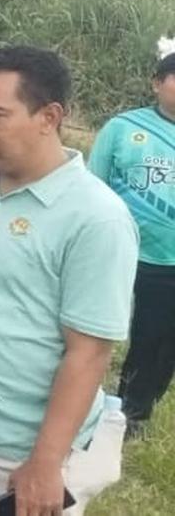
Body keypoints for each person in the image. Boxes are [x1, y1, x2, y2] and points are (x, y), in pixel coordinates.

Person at [0, 46, 137, 515]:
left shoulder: (95, 217)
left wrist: (46, 461)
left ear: (49, 116)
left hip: (21, 445)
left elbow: (89, 351)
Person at [88, 48, 175, 437]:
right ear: (157, 83)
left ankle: (132, 412)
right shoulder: (123, 128)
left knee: (157, 340)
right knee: (91, 326)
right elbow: (93, 186)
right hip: (118, 252)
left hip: (169, 263)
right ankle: (76, 399)